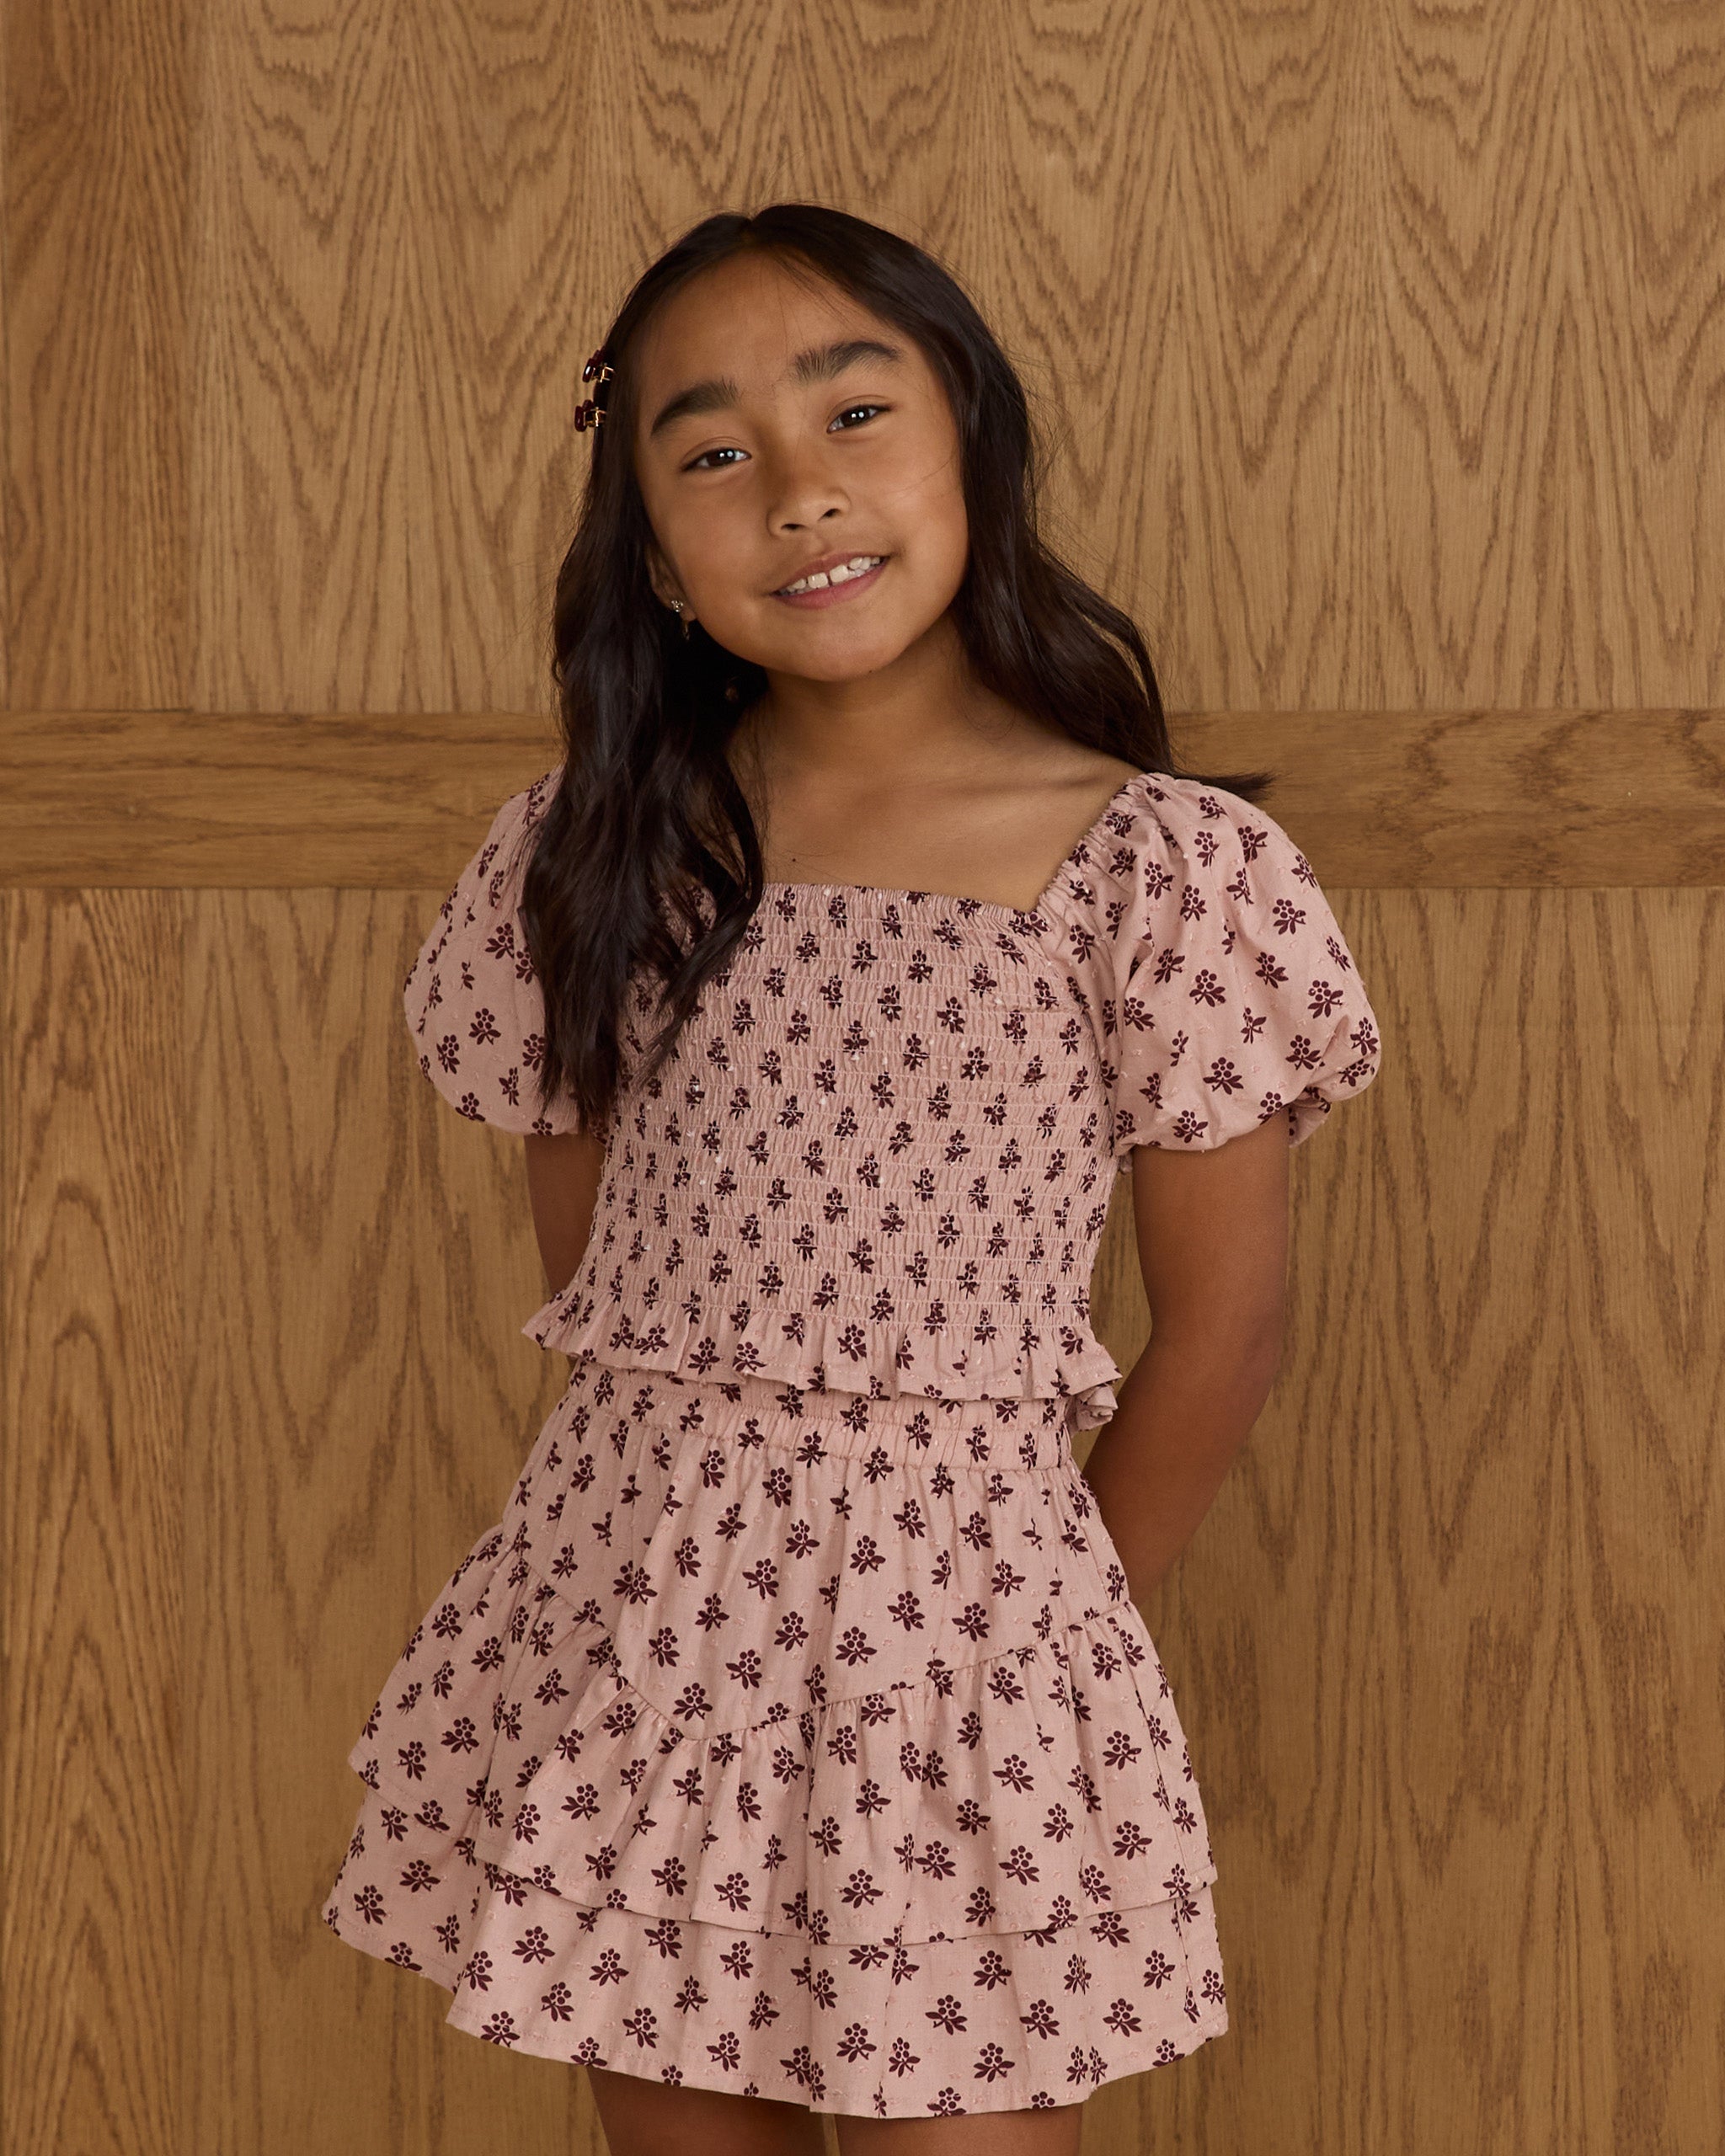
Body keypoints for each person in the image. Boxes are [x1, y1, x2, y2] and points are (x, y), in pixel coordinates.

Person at [319, 203, 1382, 2154]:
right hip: (651, 1636)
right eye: (714, 452)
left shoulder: (1162, 869)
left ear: (970, 436)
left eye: (854, 413)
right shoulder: (596, 853)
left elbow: (1223, 1329)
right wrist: (692, 1604)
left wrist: (1040, 1639)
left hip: (967, 1656)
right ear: (656, 550)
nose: (797, 492)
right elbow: (607, 1297)